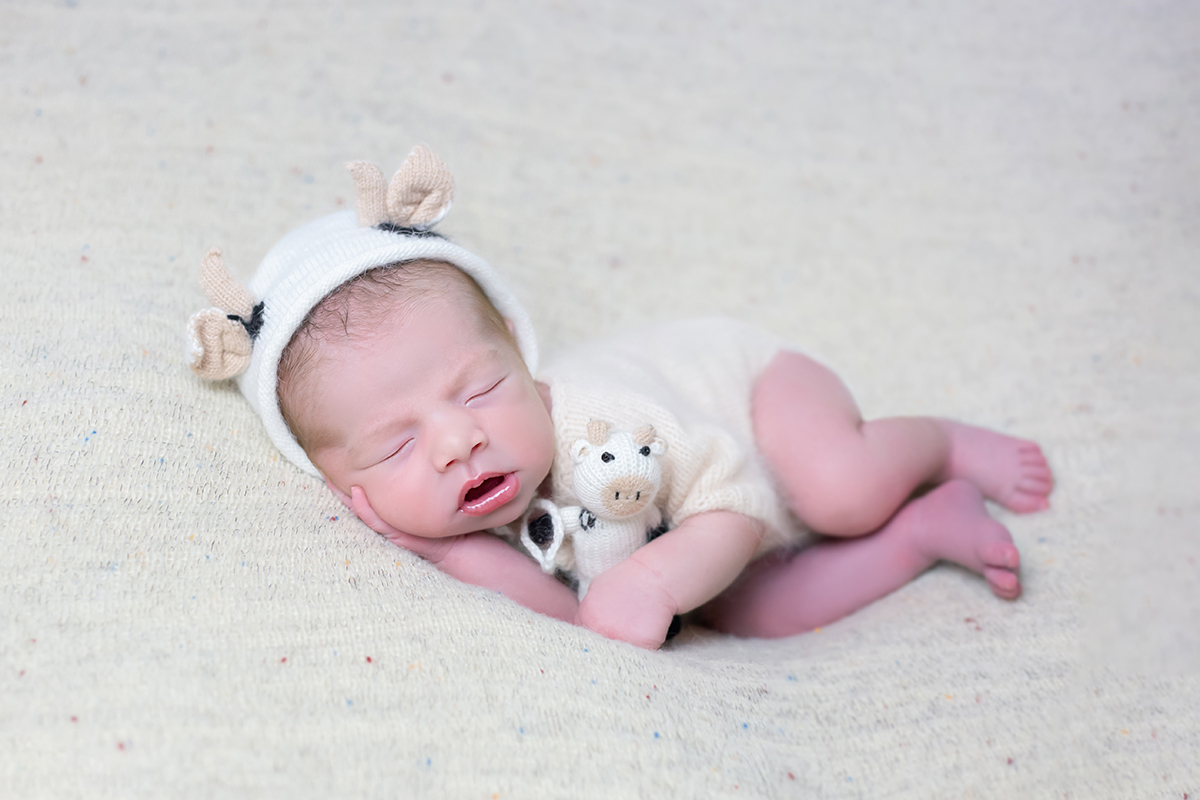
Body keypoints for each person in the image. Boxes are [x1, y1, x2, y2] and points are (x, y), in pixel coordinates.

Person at [188, 146, 1053, 650]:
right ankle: (927, 531)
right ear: (347, 490)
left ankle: (937, 443)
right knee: (761, 614)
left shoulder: (600, 421)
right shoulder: (454, 513)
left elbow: (735, 504)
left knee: (839, 488)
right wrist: (450, 555)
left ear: (526, 368)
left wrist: (656, 575)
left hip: (749, 405)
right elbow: (568, 610)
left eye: (482, 387)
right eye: (396, 446)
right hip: (697, 540)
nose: (458, 442)